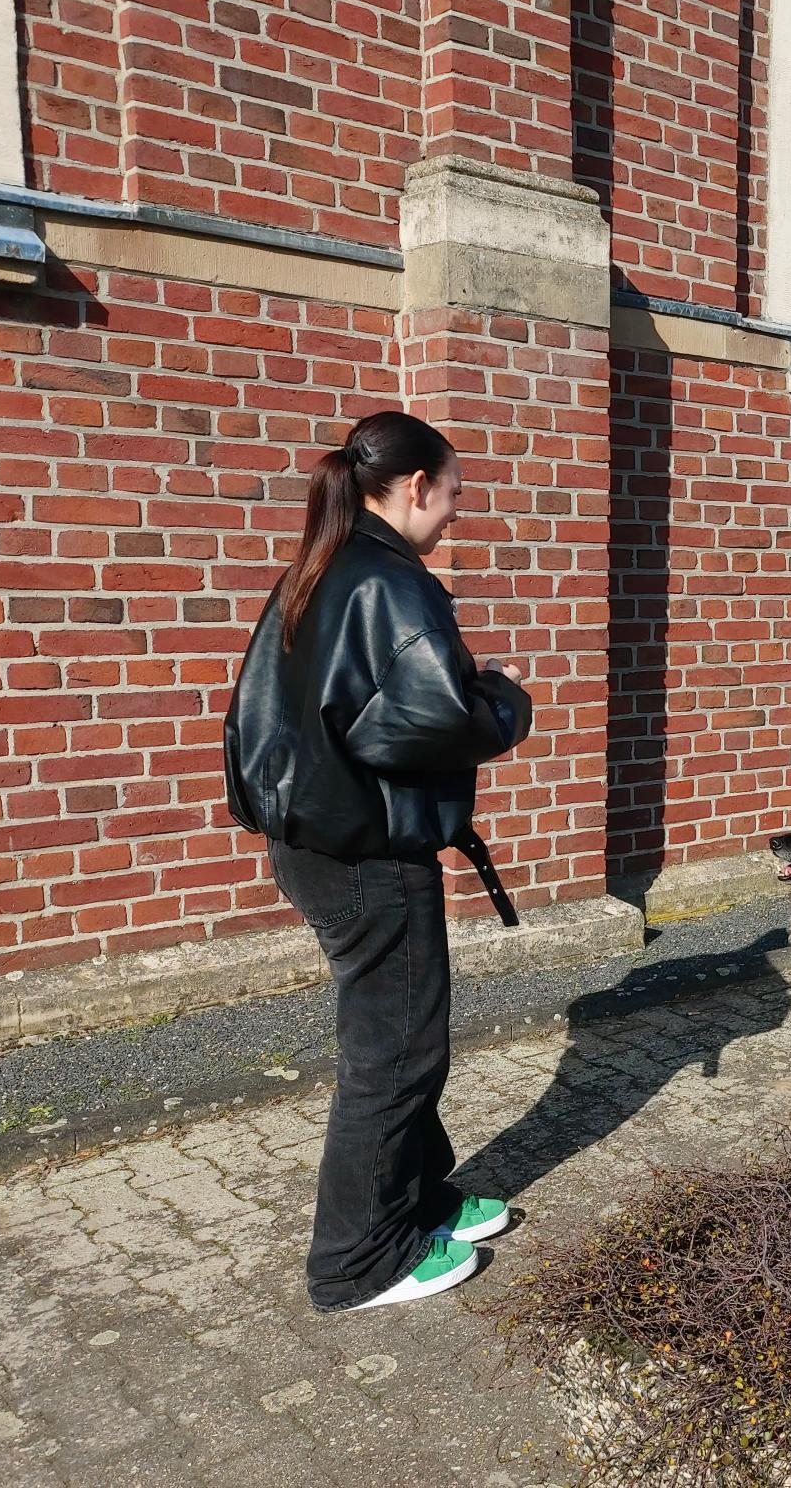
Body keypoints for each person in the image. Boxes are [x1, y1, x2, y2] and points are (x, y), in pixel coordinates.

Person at [223, 411, 533, 1312]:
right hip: (365, 850)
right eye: (454, 494)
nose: (456, 512)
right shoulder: (388, 580)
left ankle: (417, 1199)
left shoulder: (321, 566)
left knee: (394, 1039)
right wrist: (503, 700)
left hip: (317, 840)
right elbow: (431, 718)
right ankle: (356, 1262)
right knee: (394, 1053)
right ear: (414, 487)